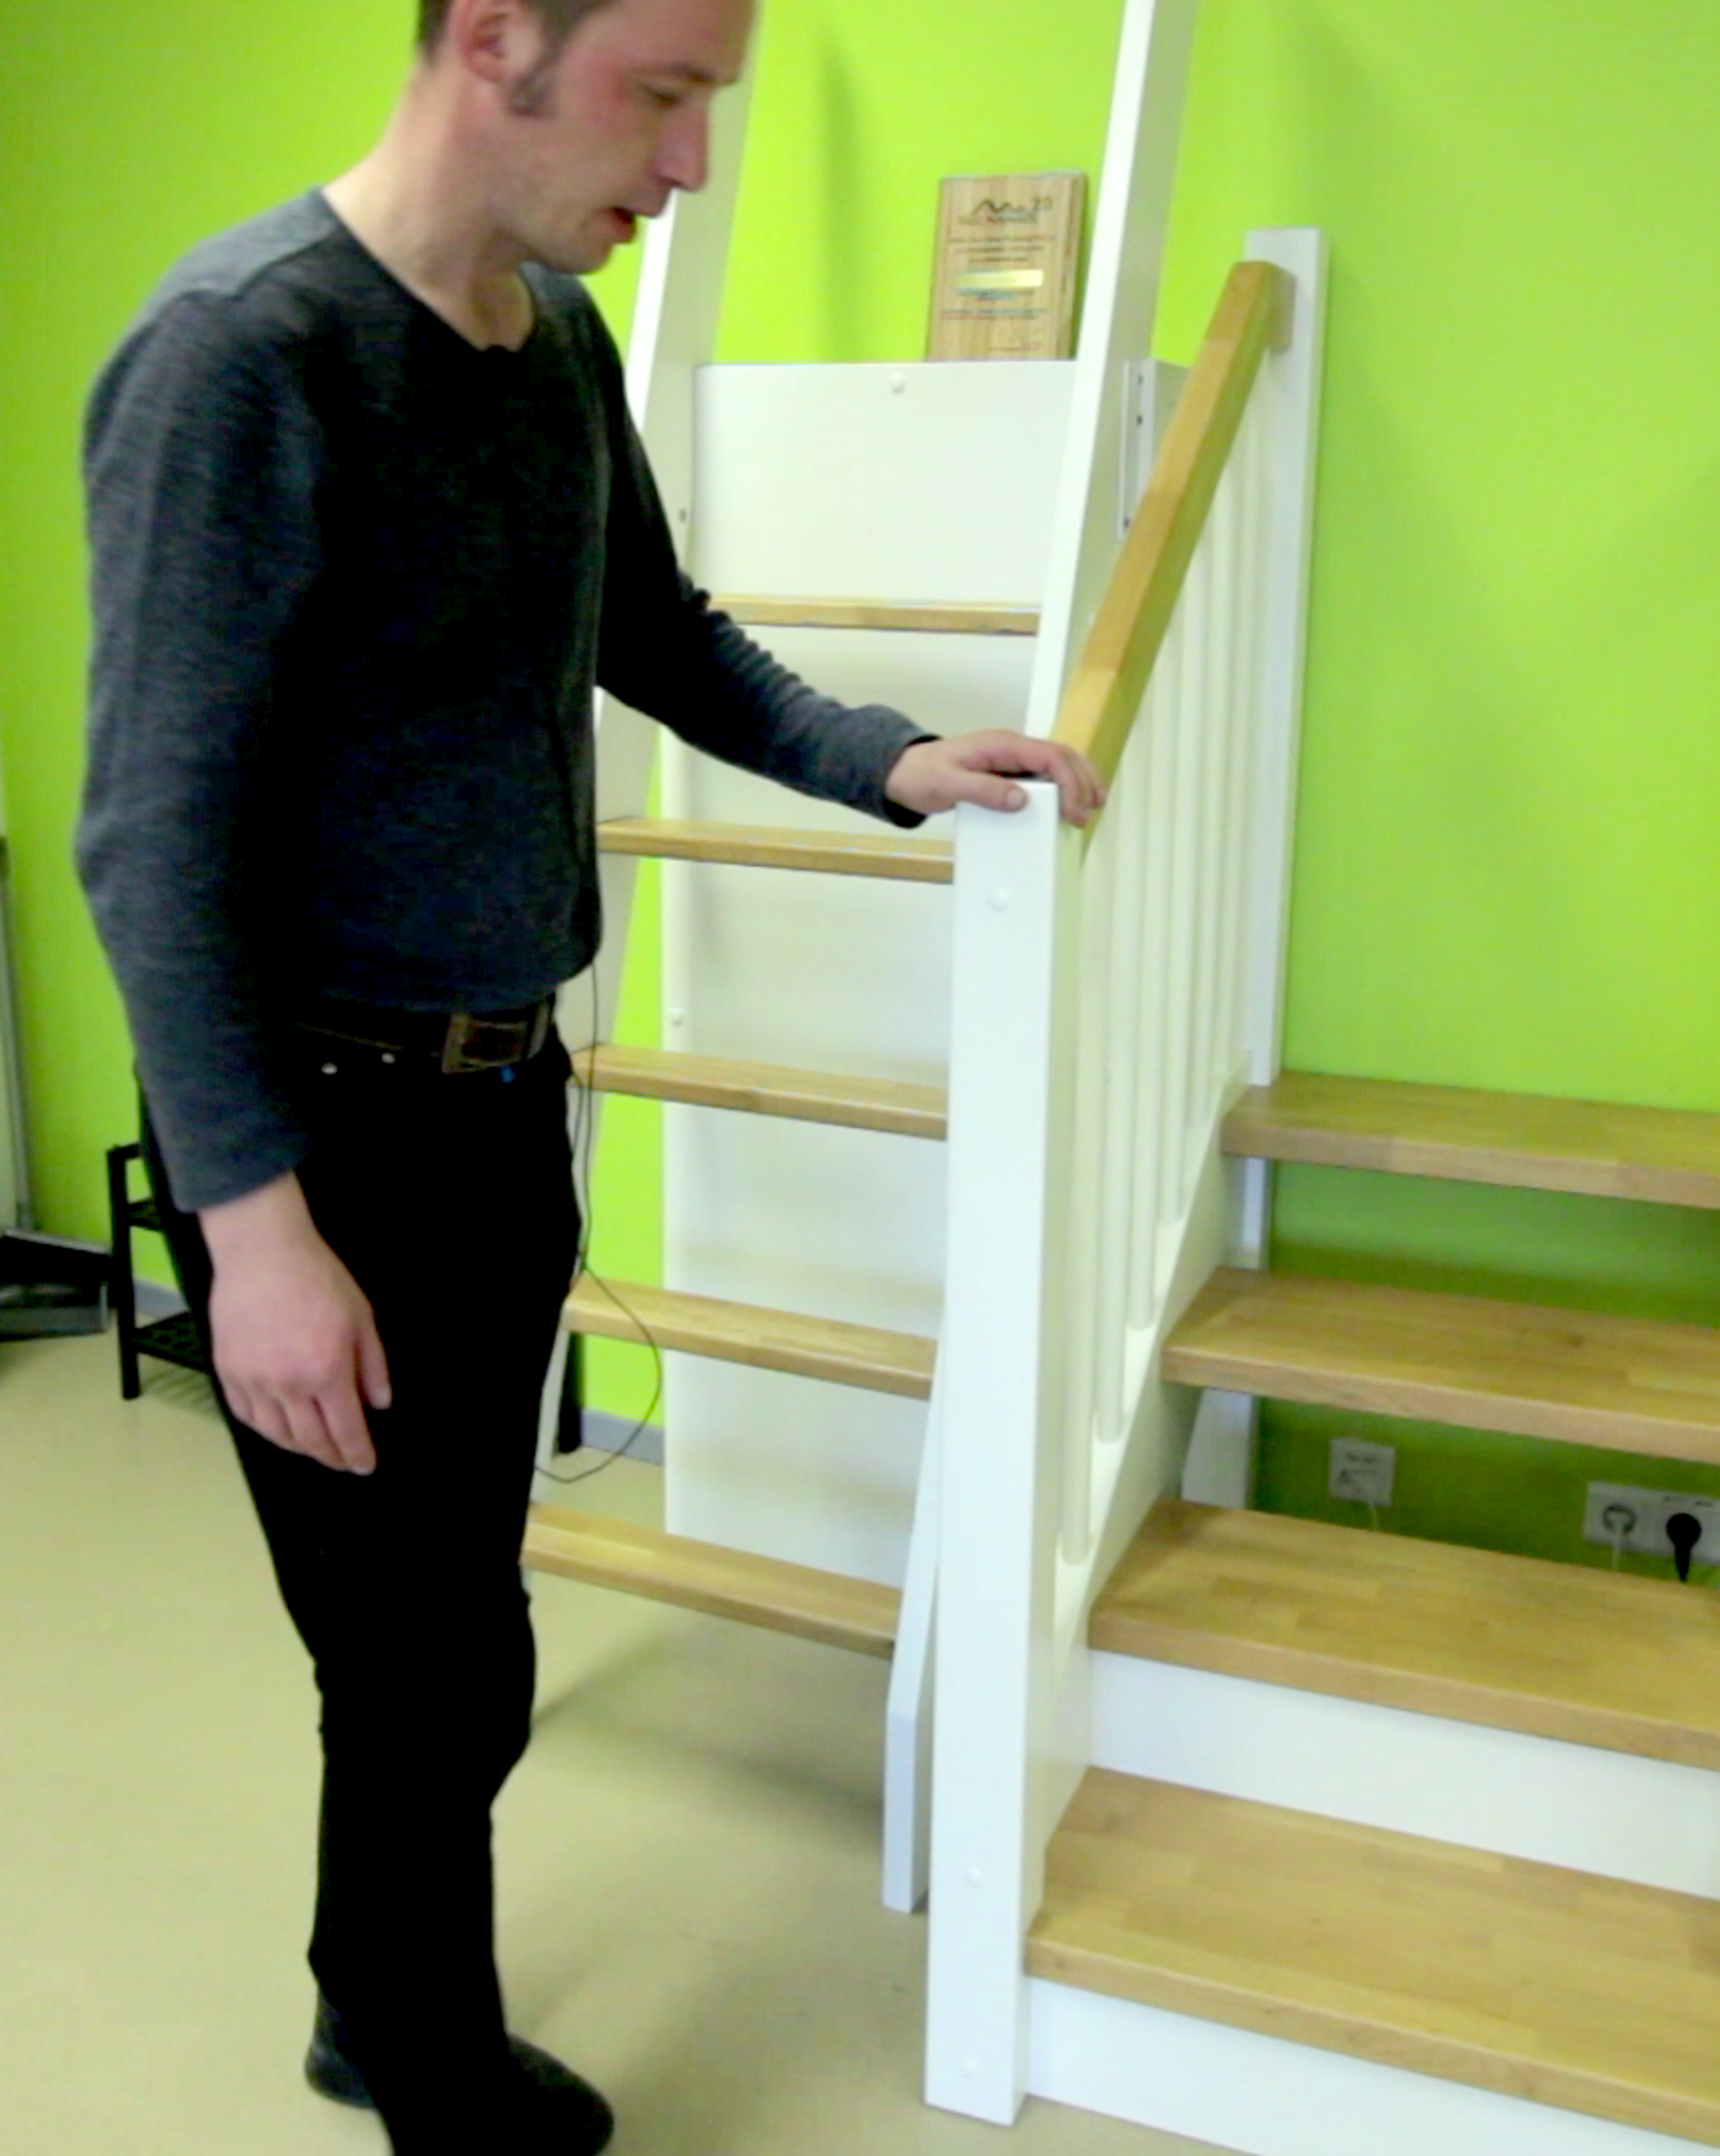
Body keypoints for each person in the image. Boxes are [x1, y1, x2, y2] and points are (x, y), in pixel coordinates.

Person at [75, 0, 1100, 2148]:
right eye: (665, 92)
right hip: (315, 1143)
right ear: (494, 40)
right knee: (424, 1665)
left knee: (453, 1645)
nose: (693, 159)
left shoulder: (553, 339)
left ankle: (368, 2002)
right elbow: (151, 844)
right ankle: (429, 2068)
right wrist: (254, 1237)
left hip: (500, 1110)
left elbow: (661, 631)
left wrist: (891, 759)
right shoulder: (243, 361)